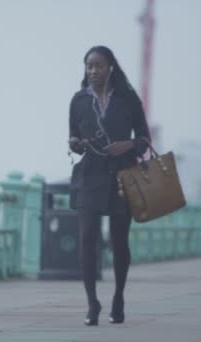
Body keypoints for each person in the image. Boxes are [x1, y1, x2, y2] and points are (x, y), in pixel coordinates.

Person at [68, 46, 150, 326]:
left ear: (110, 67)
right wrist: (75, 144)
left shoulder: (128, 99)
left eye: (98, 66)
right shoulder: (78, 100)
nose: (93, 71)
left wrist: (128, 144)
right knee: (87, 239)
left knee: (119, 242)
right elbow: (73, 139)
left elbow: (144, 138)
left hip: (121, 176)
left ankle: (118, 296)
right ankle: (92, 303)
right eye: (89, 66)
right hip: (89, 176)